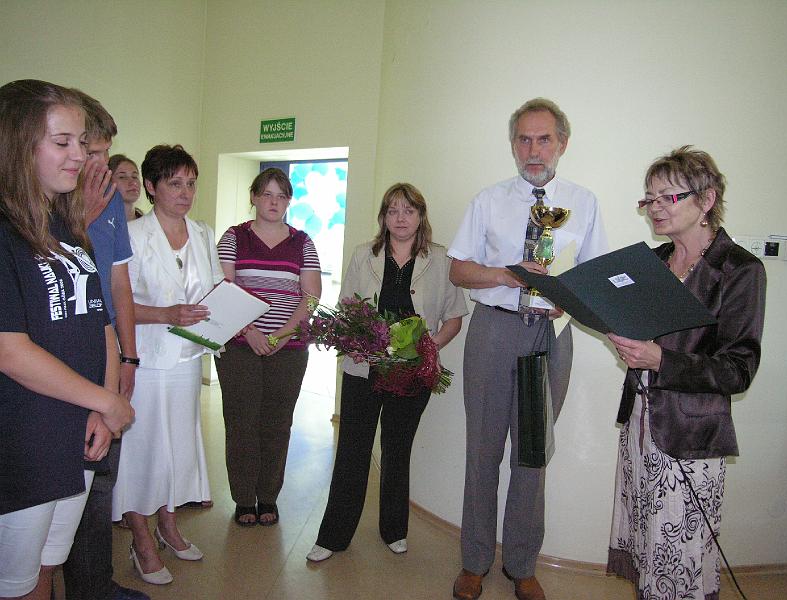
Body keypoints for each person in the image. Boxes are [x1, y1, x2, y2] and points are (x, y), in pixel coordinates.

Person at [447, 98, 608, 600]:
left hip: (549, 338)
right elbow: (458, 270)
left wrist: (569, 298)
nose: (533, 150)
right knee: (482, 451)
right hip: (493, 332)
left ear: (562, 143)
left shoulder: (584, 203)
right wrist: (506, 274)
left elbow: (595, 277)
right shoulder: (488, 200)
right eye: (524, 139)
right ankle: (475, 560)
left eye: (543, 139)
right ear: (513, 144)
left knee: (532, 455)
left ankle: (521, 563)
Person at [606, 146, 766, 600]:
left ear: (707, 199)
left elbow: (738, 370)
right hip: (641, 424)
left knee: (679, 561)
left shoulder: (739, 270)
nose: (654, 207)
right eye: (649, 198)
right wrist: (627, 340)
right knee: (648, 548)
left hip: (690, 436)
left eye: (668, 197)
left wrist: (660, 359)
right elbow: (646, 337)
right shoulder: (653, 262)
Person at [0, 79, 133, 600]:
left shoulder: (63, 224)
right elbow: (10, 350)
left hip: (78, 430)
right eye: (63, 142)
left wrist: (102, 405)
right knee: (15, 581)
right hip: (26, 438)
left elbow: (99, 322)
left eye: (82, 142)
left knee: (47, 568)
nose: (80, 155)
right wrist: (107, 400)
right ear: (17, 143)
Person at [306, 182, 468, 563]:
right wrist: (356, 339)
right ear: (383, 218)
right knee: (352, 451)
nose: (400, 218)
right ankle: (333, 536)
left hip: (412, 373)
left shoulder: (440, 259)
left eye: (408, 211)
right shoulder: (364, 255)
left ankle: (394, 530)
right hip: (364, 370)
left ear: (421, 216)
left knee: (397, 451)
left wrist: (429, 348)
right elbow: (347, 308)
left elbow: (454, 318)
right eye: (393, 211)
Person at [111, 144, 224, 586]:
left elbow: (213, 290)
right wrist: (166, 314)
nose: (185, 193)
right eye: (175, 183)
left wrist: (227, 314)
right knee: (143, 451)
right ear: (152, 186)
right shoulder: (133, 235)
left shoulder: (202, 233)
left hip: (187, 358)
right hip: (145, 359)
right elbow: (118, 303)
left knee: (176, 447)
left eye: (191, 183)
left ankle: (168, 525)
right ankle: (141, 539)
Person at [60, 91, 148, 600]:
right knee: (62, 482)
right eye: (89, 151)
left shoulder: (111, 197)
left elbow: (118, 283)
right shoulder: (46, 198)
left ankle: (95, 583)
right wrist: (81, 216)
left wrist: (128, 356)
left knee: (102, 474)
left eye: (102, 153)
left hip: (107, 350)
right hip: (61, 353)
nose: (97, 163)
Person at [215, 168, 321, 526]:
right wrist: (250, 331)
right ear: (254, 197)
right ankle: (245, 499)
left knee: (277, 424)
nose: (274, 202)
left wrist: (284, 334)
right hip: (239, 345)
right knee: (241, 423)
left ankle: (269, 497)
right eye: (267, 194)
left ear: (289, 201)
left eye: (281, 196)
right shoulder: (234, 237)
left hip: (288, 349)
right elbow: (224, 288)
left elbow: (311, 295)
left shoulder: (302, 242)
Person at [109, 154, 144, 221]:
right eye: (122, 177)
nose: (133, 182)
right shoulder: (98, 224)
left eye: (134, 177)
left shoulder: (149, 224)